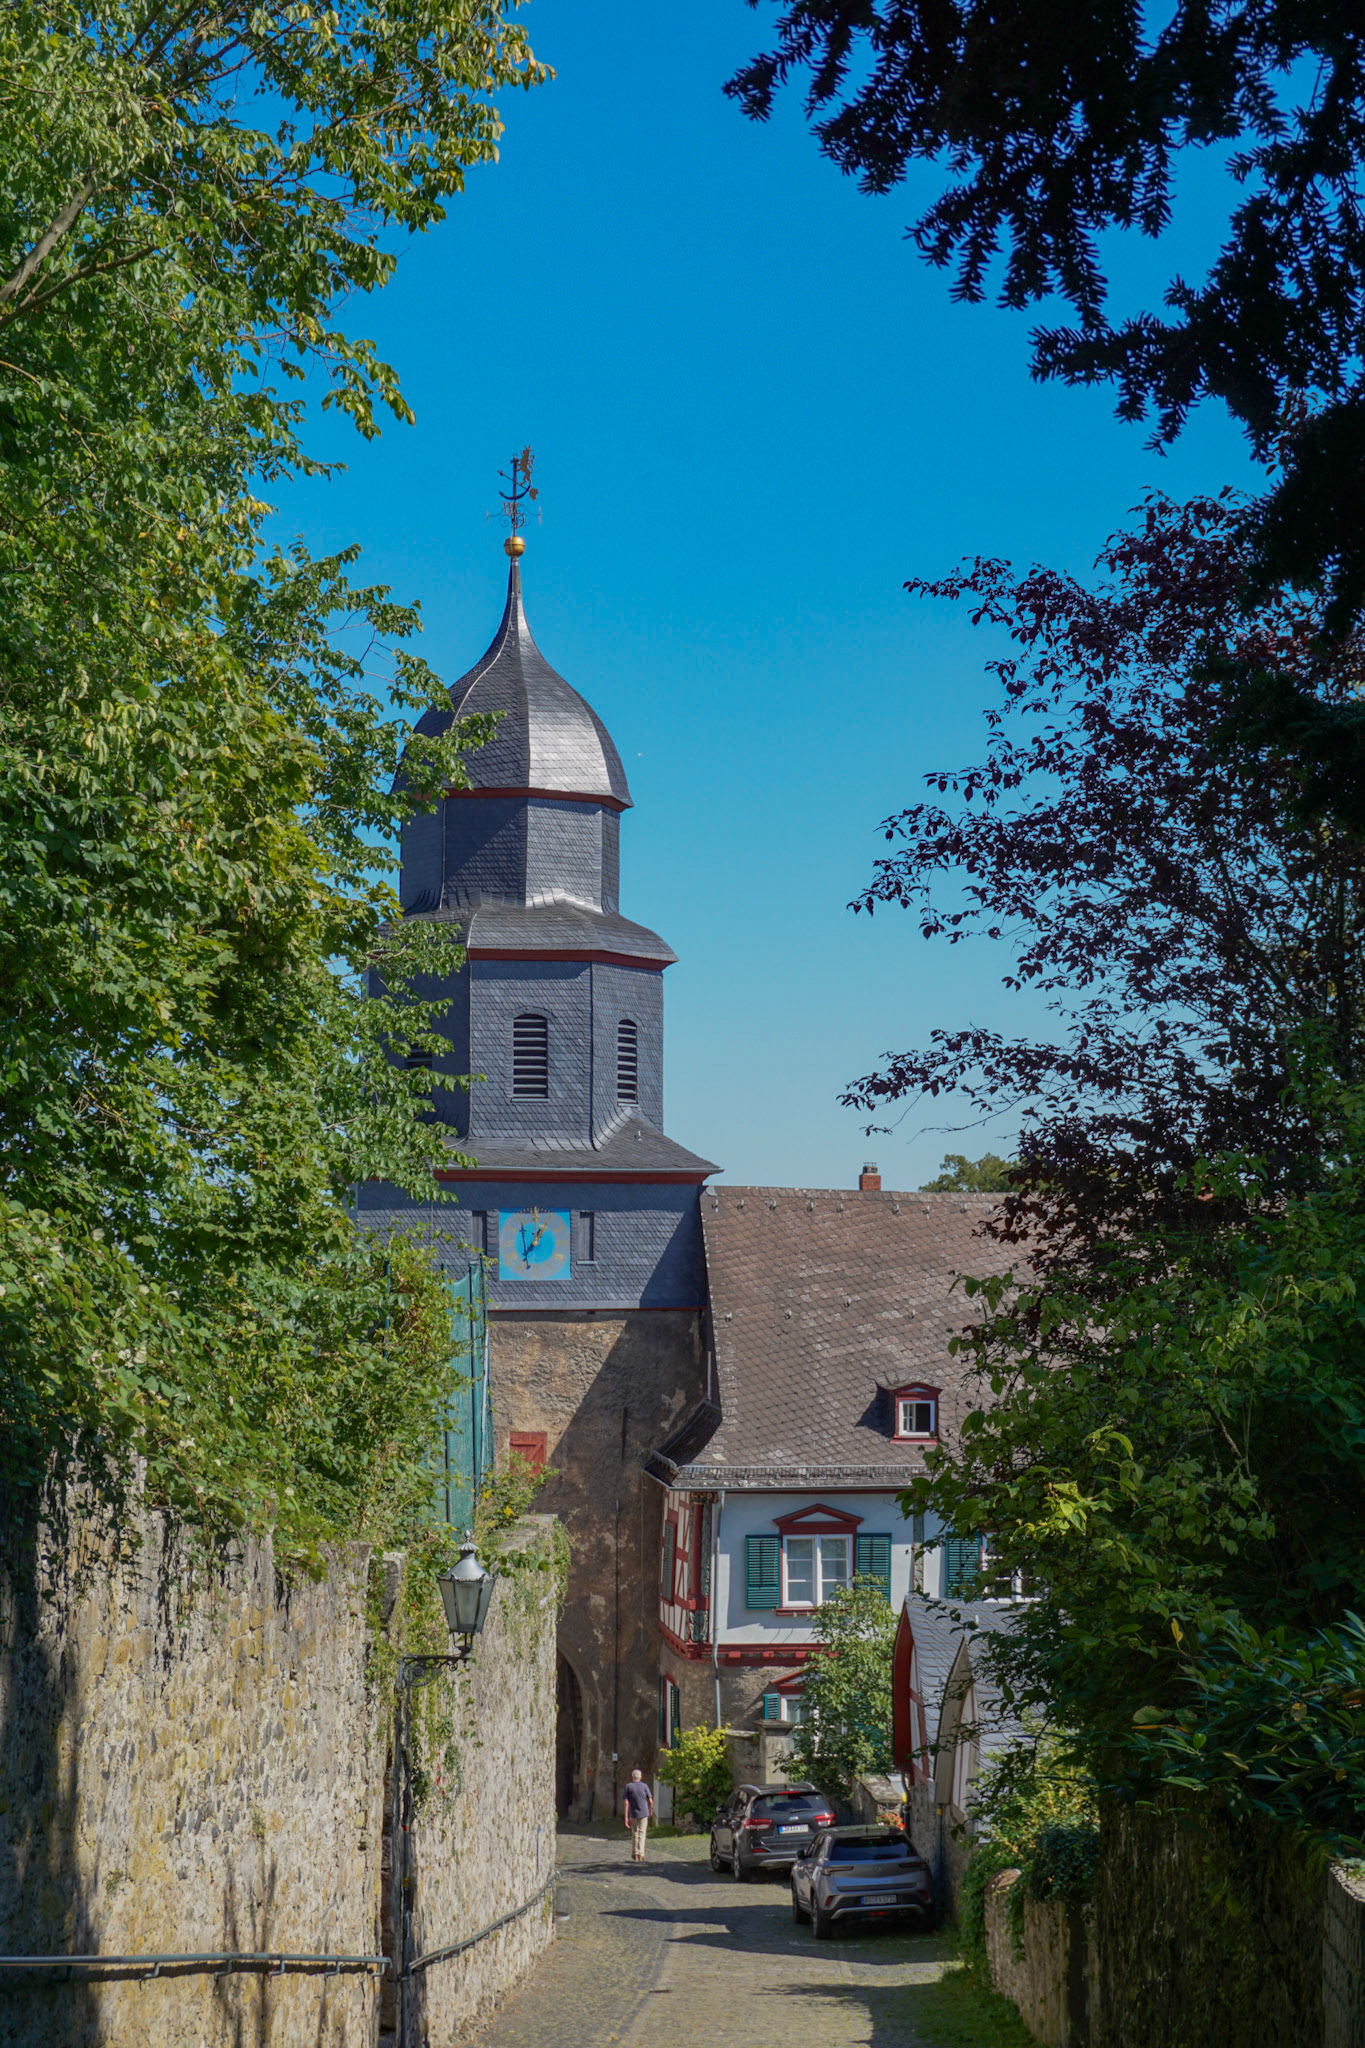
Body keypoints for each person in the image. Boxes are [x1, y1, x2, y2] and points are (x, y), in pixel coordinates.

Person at [623, 1769, 653, 1862]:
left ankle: (635, 1853)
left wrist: (626, 1817)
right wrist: (650, 1811)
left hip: (633, 1813)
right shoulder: (645, 1786)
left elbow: (626, 1803)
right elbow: (651, 1801)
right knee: (642, 1833)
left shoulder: (628, 1786)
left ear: (632, 1777)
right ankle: (641, 1853)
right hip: (644, 1813)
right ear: (640, 1777)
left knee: (635, 1833)